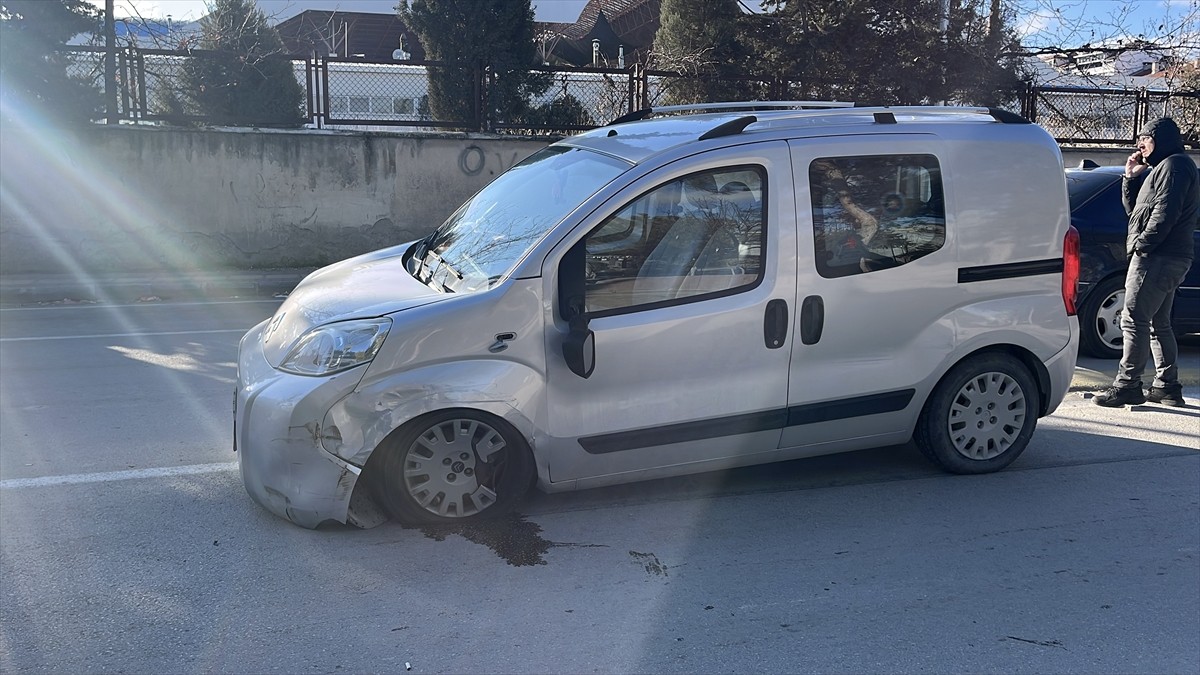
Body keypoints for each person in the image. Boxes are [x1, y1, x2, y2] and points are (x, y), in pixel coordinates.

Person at [1093, 117, 1199, 408]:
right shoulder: (1164, 168)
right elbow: (1136, 213)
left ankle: (1127, 386)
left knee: (1133, 319)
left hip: (1159, 257)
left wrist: (1143, 247)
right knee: (1157, 323)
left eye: (1145, 138)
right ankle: (1167, 388)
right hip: (1166, 256)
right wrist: (1130, 177)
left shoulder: (1175, 166)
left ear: (1160, 139)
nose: (1139, 144)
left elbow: (1166, 212)